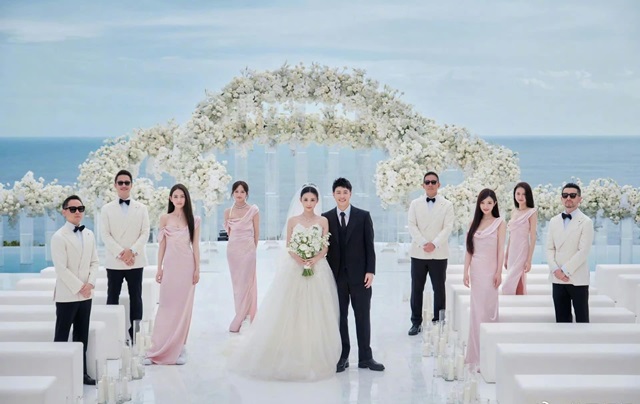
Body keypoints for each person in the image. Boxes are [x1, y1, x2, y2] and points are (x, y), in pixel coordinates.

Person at [228, 185, 341, 381]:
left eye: (312, 200)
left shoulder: (323, 221)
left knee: (316, 308)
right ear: (301, 201)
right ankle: (290, 347)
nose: (309, 203)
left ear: (317, 202)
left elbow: (325, 246)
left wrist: (314, 259)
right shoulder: (293, 221)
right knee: (291, 308)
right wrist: (300, 259)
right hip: (295, 266)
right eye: (305, 200)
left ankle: (313, 349)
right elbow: (289, 245)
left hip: (317, 267)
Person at [323, 177, 385, 372]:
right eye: (338, 192)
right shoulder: (326, 218)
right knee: (340, 318)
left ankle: (366, 357)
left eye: (345, 192)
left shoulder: (363, 216)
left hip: (360, 277)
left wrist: (370, 270)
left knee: (362, 316)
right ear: (333, 195)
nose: (342, 196)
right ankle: (343, 357)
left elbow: (369, 246)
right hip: (336, 277)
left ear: (350, 194)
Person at [145, 184, 200, 365]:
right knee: (166, 306)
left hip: (187, 267)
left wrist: (197, 269)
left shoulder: (194, 220)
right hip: (170, 266)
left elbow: (195, 246)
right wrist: (159, 268)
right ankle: (157, 347)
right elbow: (162, 245)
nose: (179, 199)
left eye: (182, 196)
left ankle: (181, 347)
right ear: (170, 199)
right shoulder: (164, 218)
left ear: (186, 198)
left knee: (184, 308)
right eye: (175, 196)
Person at [51, 195, 98, 385]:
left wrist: (90, 284)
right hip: (67, 295)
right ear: (64, 212)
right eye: (73, 209)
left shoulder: (90, 234)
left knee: (82, 336)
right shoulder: (58, 237)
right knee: (62, 336)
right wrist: (80, 287)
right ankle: (58, 376)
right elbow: (61, 269)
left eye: (80, 208)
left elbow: (95, 262)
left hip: (86, 295)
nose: (77, 212)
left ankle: (81, 373)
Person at [100, 169, 150, 340]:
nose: (123, 185)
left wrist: (132, 251)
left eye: (126, 182)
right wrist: (122, 253)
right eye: (120, 182)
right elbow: (105, 234)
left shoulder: (141, 208)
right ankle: (111, 334)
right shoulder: (106, 209)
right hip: (115, 261)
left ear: (131, 185)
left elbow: (145, 232)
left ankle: (135, 335)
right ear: (115, 185)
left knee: (136, 297)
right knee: (112, 296)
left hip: (135, 260)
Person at [407, 171, 454, 336]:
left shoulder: (447, 205)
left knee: (439, 289)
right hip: (418, 253)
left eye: (433, 182)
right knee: (416, 289)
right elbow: (412, 225)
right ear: (423, 185)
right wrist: (423, 243)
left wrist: (434, 243)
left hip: (439, 253)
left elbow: (448, 227)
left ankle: (439, 322)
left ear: (439, 184)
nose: (430, 185)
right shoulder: (415, 204)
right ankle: (415, 322)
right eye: (427, 182)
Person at [463, 189, 505, 368]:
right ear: (478, 204)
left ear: (495, 204)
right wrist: (465, 271)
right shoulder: (473, 223)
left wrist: (498, 272)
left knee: (489, 310)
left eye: (489, 202)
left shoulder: (500, 223)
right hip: (476, 272)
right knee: (476, 312)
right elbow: (469, 250)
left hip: (490, 272)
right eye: (482, 203)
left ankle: (488, 357)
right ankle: (474, 357)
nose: (486, 206)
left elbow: (501, 250)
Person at [546, 182, 594, 323]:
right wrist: (556, 270)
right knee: (561, 320)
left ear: (579, 199)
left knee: (582, 320)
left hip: (577, 277)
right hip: (557, 278)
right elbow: (549, 248)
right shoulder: (554, 221)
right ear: (561, 198)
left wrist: (565, 271)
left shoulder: (586, 222)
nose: (568, 198)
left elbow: (583, 251)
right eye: (565, 195)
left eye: (572, 195)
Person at [224, 180, 259, 333]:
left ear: (247, 194)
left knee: (248, 282)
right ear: (232, 193)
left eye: (242, 191)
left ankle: (243, 318)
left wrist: (252, 249)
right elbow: (230, 233)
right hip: (233, 251)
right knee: (237, 285)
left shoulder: (253, 210)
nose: (239, 194)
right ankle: (241, 314)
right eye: (236, 191)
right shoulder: (228, 212)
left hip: (249, 250)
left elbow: (257, 232)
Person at [503, 182, 538, 295]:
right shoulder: (514, 211)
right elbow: (511, 235)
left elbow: (533, 237)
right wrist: (506, 255)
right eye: (518, 194)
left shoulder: (532, 212)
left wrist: (529, 260)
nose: (520, 197)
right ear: (514, 195)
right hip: (512, 251)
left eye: (524, 194)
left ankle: (511, 299)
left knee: (508, 284)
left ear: (528, 195)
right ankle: (516, 303)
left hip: (522, 249)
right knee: (516, 282)